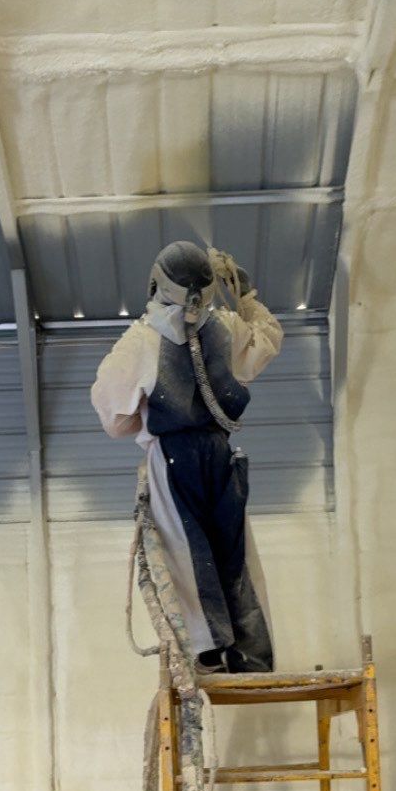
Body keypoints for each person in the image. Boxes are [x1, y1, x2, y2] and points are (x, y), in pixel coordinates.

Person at [91, 240, 283, 671]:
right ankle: (252, 654)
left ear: (157, 282)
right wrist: (247, 296)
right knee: (235, 553)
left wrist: (144, 418)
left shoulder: (141, 341)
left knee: (186, 550)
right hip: (220, 451)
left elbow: (112, 416)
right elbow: (268, 340)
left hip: (173, 457)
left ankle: (206, 651)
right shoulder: (226, 327)